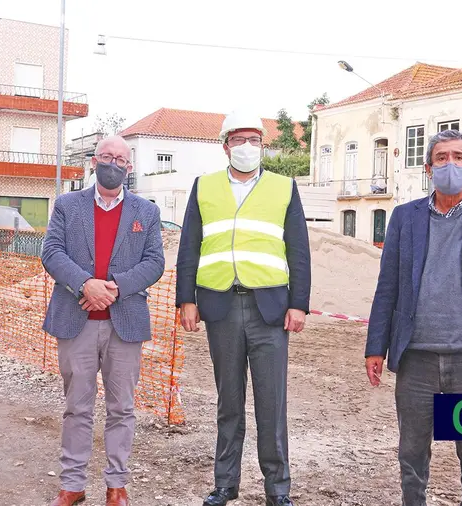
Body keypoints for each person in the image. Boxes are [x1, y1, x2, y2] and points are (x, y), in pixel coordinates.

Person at [364, 129, 462, 506]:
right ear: (428, 167)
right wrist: (376, 347)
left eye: (458, 157)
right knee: (412, 455)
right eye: (441, 158)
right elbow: (389, 287)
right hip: (416, 358)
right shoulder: (404, 217)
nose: (450, 164)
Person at [175, 109, 312, 506]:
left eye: (254, 140)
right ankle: (225, 484)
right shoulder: (204, 187)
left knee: (272, 403)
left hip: (269, 309)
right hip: (219, 307)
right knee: (228, 403)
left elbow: (298, 251)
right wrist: (187, 298)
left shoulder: (284, 187)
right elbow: (190, 247)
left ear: (262, 146)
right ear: (225, 146)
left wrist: (299, 303)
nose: (247, 147)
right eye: (239, 140)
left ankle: (277, 489)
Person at [41, 135, 165, 506]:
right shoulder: (66, 205)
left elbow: (154, 262)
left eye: (121, 159)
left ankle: (116, 485)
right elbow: (51, 252)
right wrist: (85, 284)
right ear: (94, 162)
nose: (114, 163)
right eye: (107, 156)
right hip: (75, 318)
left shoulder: (147, 212)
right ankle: (73, 484)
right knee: (77, 405)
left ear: (129, 167)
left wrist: (116, 287)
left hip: (124, 322)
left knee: (122, 408)